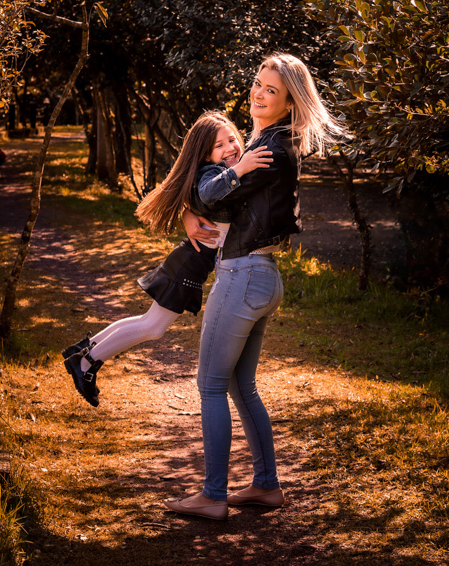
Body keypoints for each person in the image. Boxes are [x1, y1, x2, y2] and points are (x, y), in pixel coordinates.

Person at [164, 53, 346, 520]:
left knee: (210, 385)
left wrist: (227, 176)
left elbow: (208, 194)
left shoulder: (263, 151)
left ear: (289, 103)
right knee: (243, 387)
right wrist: (196, 207)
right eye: (258, 84)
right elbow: (221, 206)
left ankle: (212, 495)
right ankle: (265, 486)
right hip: (262, 276)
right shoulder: (274, 142)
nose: (258, 94)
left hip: (244, 275)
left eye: (271, 90)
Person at [61, 111, 272, 406]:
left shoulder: (226, 172)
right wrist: (241, 168)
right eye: (219, 146)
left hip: (189, 262)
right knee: (154, 327)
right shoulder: (212, 175)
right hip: (189, 264)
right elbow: (210, 191)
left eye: (232, 140)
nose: (230, 148)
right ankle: (87, 362)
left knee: (148, 321)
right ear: (205, 155)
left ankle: (85, 351)